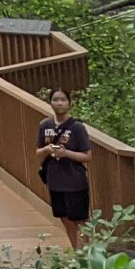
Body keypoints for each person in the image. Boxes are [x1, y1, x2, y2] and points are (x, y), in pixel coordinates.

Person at [36, 86, 94, 248]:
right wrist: (48, 150)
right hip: (55, 181)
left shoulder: (77, 127)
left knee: (81, 220)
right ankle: (76, 250)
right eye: (55, 100)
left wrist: (66, 153)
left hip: (75, 181)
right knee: (64, 218)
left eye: (63, 100)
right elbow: (38, 152)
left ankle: (85, 253)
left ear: (69, 103)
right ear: (50, 103)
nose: (59, 103)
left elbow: (87, 156)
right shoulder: (44, 125)